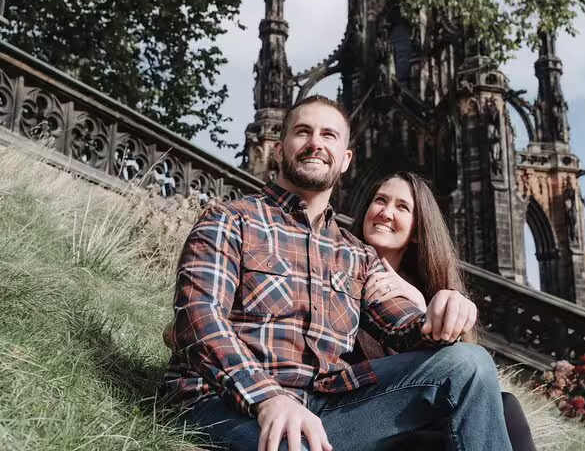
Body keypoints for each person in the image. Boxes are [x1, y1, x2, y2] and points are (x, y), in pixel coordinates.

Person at [161, 95, 513, 451]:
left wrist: (442, 314)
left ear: (345, 160)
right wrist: (267, 397)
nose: (315, 143)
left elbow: (405, 329)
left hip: (325, 406)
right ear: (280, 150)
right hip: (227, 402)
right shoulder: (230, 219)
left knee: (469, 363)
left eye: (329, 135)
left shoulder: (357, 254)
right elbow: (199, 319)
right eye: (303, 132)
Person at [348, 171, 537, 451]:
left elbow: (451, 369)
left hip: (413, 414)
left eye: (402, 207)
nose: (386, 213)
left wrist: (422, 308)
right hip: (360, 410)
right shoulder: (340, 265)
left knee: (506, 405)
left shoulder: (424, 291)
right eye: (380, 200)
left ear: (416, 231)